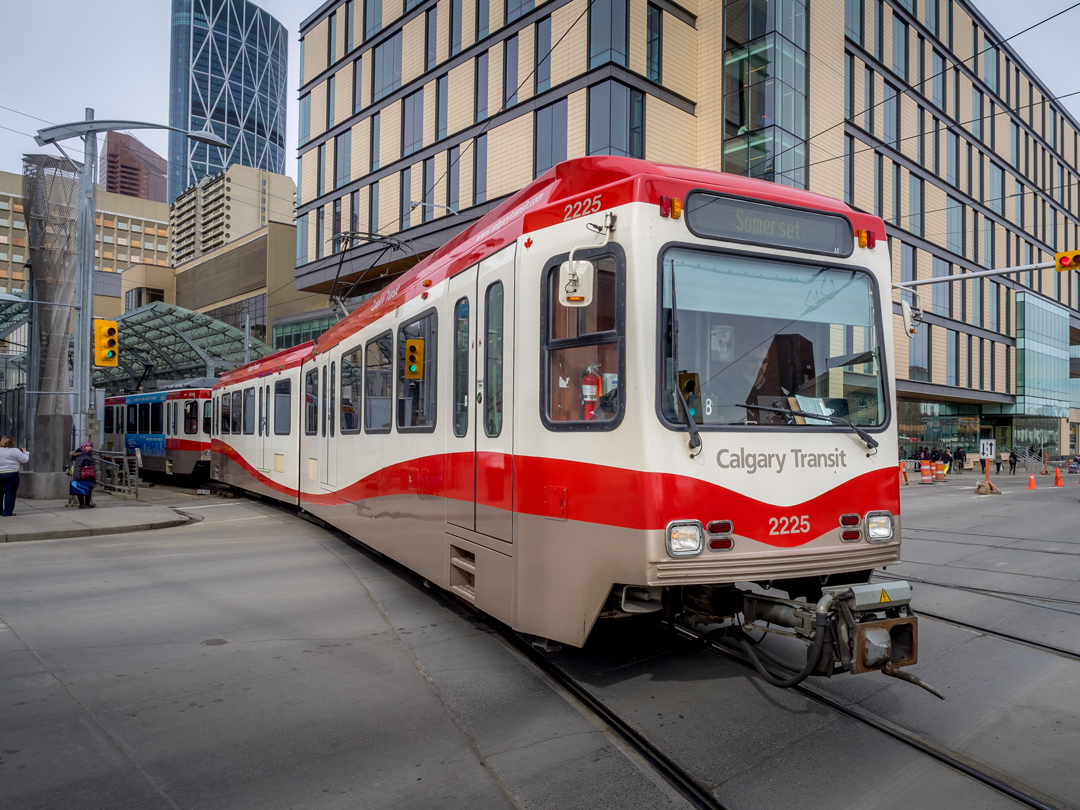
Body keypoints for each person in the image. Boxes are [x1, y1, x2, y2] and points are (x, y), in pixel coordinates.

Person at [0, 436, 29, 516]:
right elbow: (24, 460)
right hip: (11, 473)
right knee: (10, 493)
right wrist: (25, 453)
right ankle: (7, 512)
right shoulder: (15, 451)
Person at [70, 441, 96, 508]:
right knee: (81, 488)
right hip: (82, 474)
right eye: (87, 446)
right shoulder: (81, 454)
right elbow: (78, 466)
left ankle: (87, 503)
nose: (89, 448)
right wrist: (78, 476)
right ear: (84, 447)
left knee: (90, 488)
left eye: (90, 446)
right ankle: (81, 504)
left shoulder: (88, 454)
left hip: (88, 474)